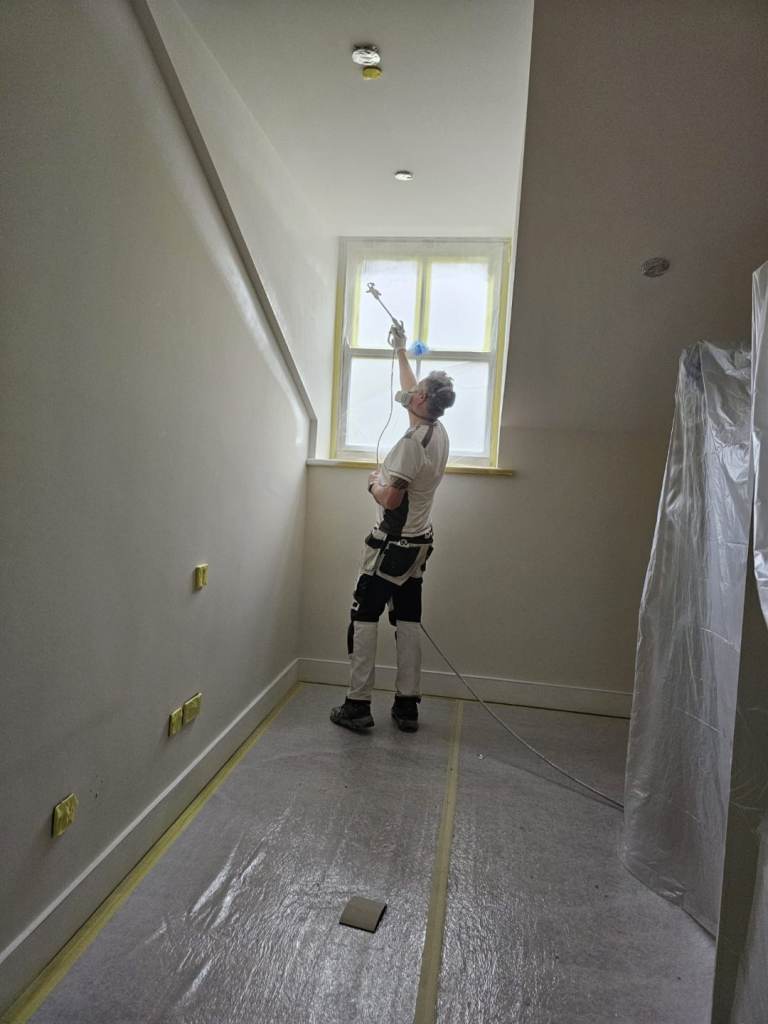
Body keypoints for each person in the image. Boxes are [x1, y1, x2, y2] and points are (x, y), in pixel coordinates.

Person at [330, 322, 455, 734]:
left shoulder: (411, 444)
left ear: (421, 400)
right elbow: (409, 390)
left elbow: (392, 499)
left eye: (417, 390)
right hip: (418, 545)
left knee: (364, 617)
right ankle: (406, 705)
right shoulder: (437, 431)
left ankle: (357, 705)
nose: (411, 390)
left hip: (392, 546)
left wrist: (373, 483)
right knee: (408, 622)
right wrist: (401, 350)